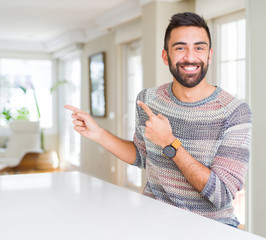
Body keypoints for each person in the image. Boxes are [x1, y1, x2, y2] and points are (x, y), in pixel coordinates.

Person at [65, 12, 252, 228]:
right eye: (180, 48)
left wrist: (169, 144)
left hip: (211, 229)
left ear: (209, 55)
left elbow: (222, 195)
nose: (190, 57)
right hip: (153, 222)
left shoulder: (235, 112)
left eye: (199, 48)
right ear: (166, 56)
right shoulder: (148, 100)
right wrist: (98, 134)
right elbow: (142, 156)